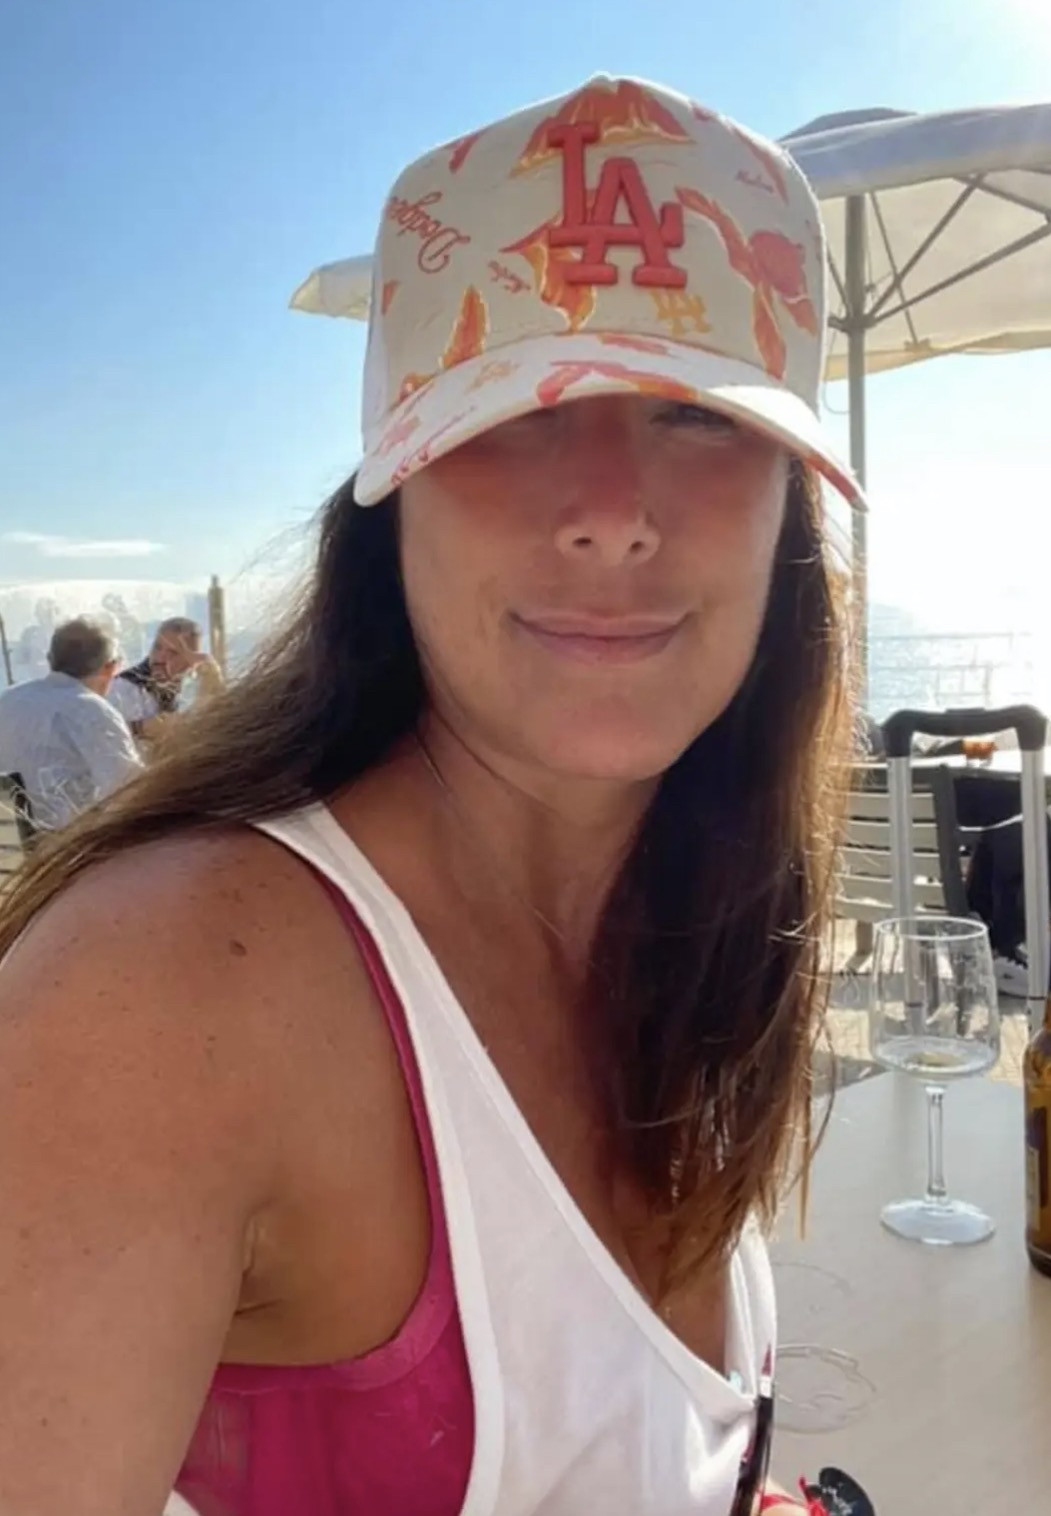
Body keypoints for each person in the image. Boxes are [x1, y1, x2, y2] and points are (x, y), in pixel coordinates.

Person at [0, 77, 869, 1516]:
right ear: (388, 498)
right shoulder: (158, 999)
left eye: (692, 416)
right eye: (515, 415)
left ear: (788, 504)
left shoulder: (689, 921)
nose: (610, 510)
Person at [0, 616, 141, 832]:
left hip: (9, 846)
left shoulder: (7, 699)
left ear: (50, 659)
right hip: (67, 844)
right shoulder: (93, 712)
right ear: (110, 668)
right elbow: (130, 793)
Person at [109, 615, 223, 745]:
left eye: (173, 652)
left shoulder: (191, 686)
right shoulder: (123, 688)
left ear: (191, 660)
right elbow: (102, 733)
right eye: (157, 647)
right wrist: (140, 728)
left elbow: (215, 721)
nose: (160, 658)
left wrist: (212, 675)